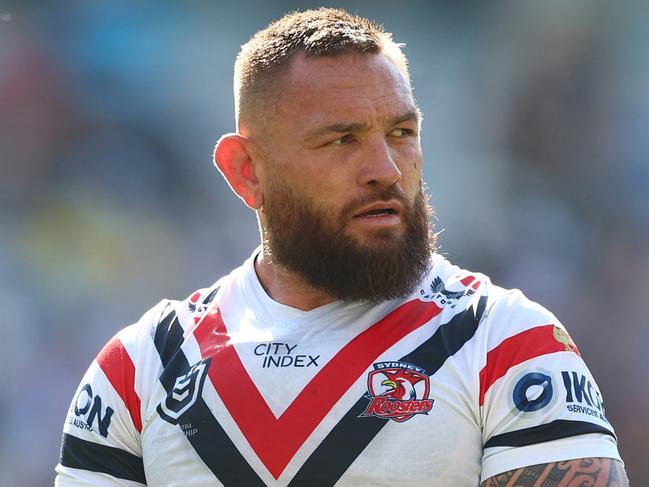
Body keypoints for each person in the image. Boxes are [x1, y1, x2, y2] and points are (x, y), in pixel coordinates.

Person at [55, 8, 627, 487]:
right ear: (246, 170)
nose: (385, 169)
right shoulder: (141, 368)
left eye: (401, 134)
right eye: (340, 140)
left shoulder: (507, 343)